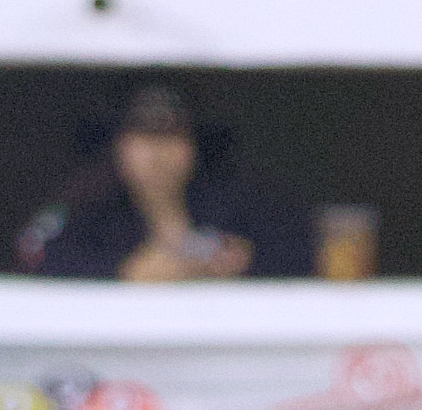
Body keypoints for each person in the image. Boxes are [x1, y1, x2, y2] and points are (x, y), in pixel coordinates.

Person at [17, 83, 311, 281]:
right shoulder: (90, 206)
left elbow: (300, 252)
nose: (158, 153)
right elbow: (35, 255)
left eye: (172, 136)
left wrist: (248, 261)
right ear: (118, 146)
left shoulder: (234, 203)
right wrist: (122, 273)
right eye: (144, 137)